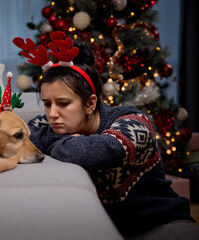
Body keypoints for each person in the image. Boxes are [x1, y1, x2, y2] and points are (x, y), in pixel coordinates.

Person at [13, 31, 199, 239]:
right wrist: (65, 141)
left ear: (90, 103)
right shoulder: (48, 123)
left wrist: (56, 143)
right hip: (109, 231)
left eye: (63, 104)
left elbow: (86, 154)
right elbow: (19, 140)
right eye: (47, 104)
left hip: (161, 223)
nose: (52, 114)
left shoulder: (134, 123)